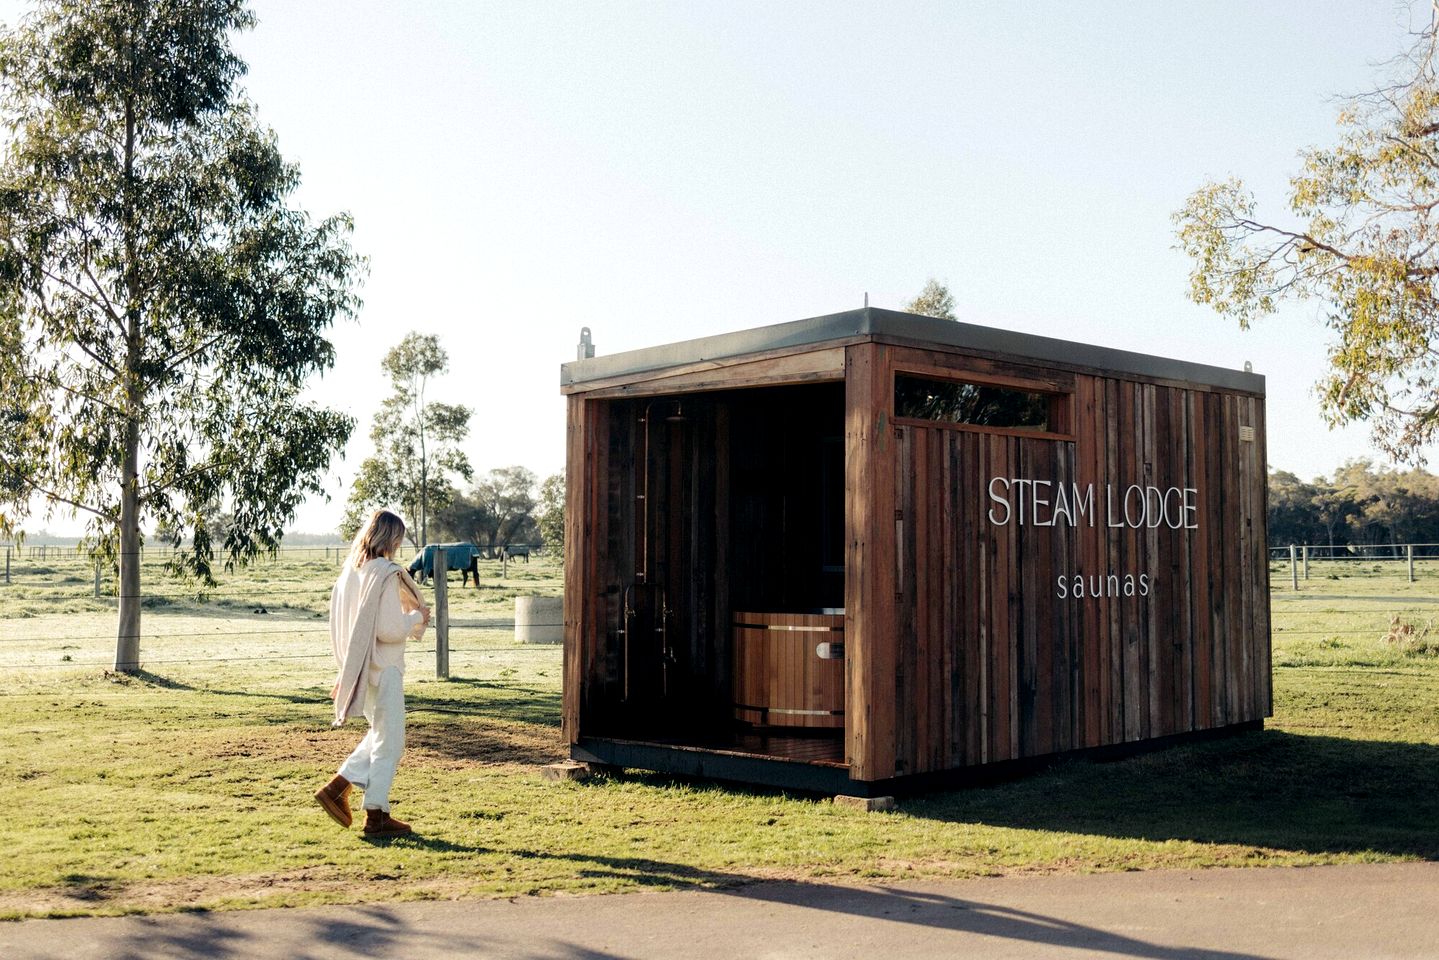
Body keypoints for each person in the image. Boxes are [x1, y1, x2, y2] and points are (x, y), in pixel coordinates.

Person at [315, 509, 430, 837]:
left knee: (382, 735)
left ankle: (340, 788)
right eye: (398, 539)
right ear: (391, 538)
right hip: (385, 668)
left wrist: (345, 670)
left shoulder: (349, 575)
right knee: (390, 741)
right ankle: (375, 814)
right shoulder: (383, 573)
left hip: (360, 668)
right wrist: (417, 617)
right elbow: (390, 629)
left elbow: (341, 626)